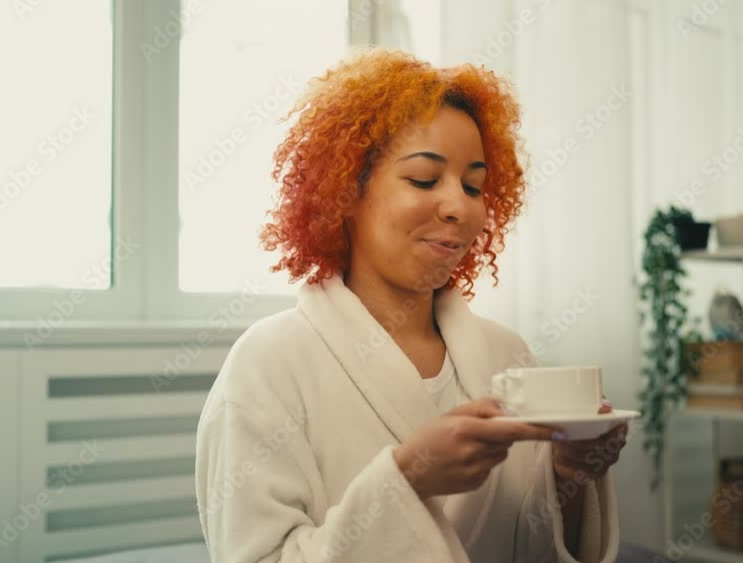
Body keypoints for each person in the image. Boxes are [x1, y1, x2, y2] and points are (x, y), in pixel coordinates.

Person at [195, 47, 627, 563]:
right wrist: (407, 478)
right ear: (345, 191)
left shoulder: (507, 354)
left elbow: (535, 544)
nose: (459, 207)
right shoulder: (267, 365)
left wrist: (569, 476)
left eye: (474, 186)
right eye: (424, 178)